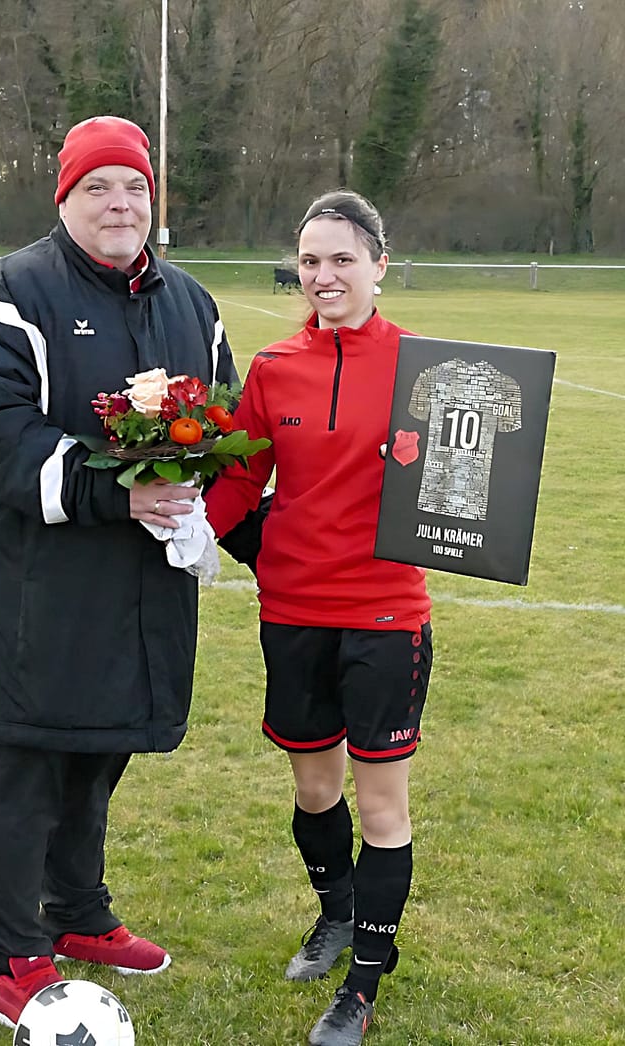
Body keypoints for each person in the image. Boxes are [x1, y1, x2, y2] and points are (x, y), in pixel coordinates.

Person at [0, 114, 239, 1030]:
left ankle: (76, 914)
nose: (121, 204)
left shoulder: (192, 303)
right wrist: (123, 494)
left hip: (138, 592)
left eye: (136, 188)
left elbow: (225, 426)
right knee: (24, 762)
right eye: (98, 188)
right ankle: (10, 956)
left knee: (97, 753)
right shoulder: (3, 297)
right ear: (64, 198)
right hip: (33, 594)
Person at [204, 190, 433, 1046]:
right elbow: (235, 481)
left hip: (385, 617)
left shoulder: (425, 366)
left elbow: (468, 484)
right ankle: (337, 917)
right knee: (313, 788)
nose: (324, 275)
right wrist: (218, 535)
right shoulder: (272, 368)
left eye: (342, 259)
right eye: (310, 261)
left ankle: (365, 984)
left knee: (381, 809)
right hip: (294, 614)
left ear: (380, 263)